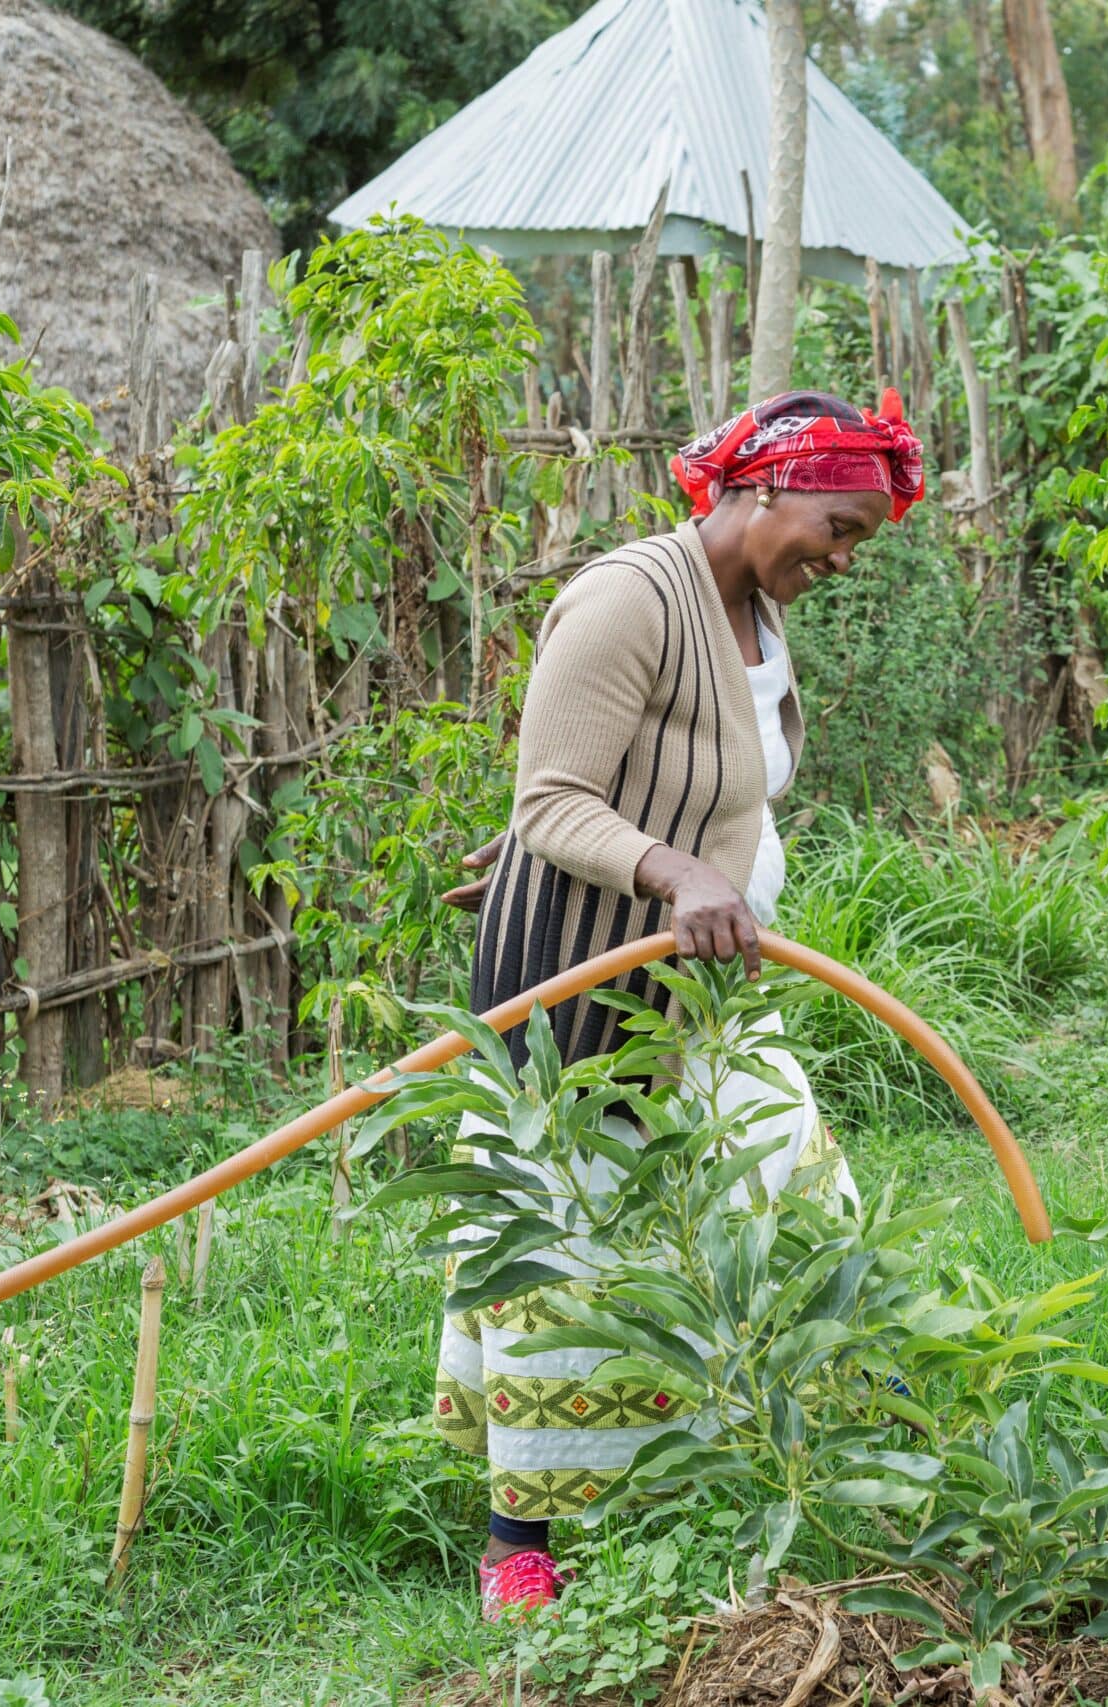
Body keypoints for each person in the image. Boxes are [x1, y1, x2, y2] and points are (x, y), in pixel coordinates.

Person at [432, 389, 926, 1617]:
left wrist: (697, 860)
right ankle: (519, 1544)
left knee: (789, 1201)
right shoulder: (630, 598)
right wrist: (665, 870)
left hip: (703, 989)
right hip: (582, 995)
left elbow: (669, 774)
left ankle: (752, 1486)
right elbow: (552, 796)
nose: (845, 555)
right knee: (564, 1251)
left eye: (862, 537)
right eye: (838, 523)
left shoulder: (753, 605)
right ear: (760, 491)